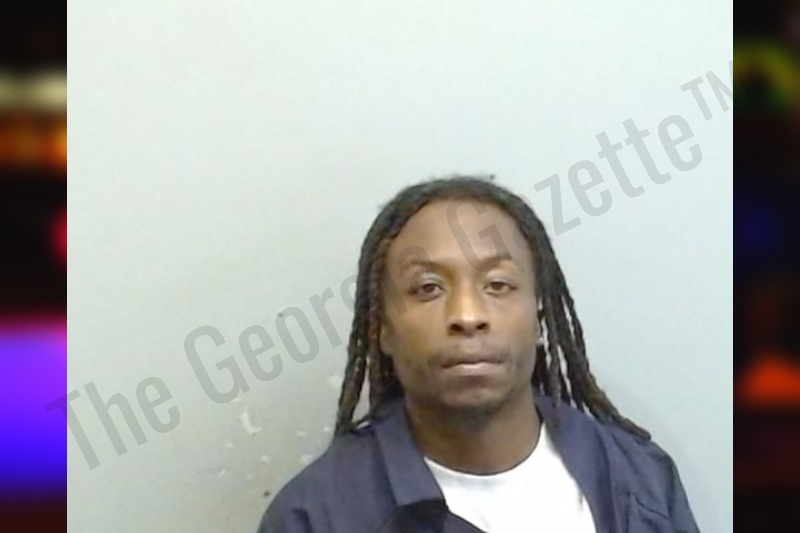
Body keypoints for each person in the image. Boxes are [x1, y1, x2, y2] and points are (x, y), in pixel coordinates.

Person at [259, 176, 699, 532]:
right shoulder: (314, 517)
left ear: (539, 317)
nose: (467, 315)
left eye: (498, 285)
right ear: (383, 329)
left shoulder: (639, 479)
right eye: (428, 288)